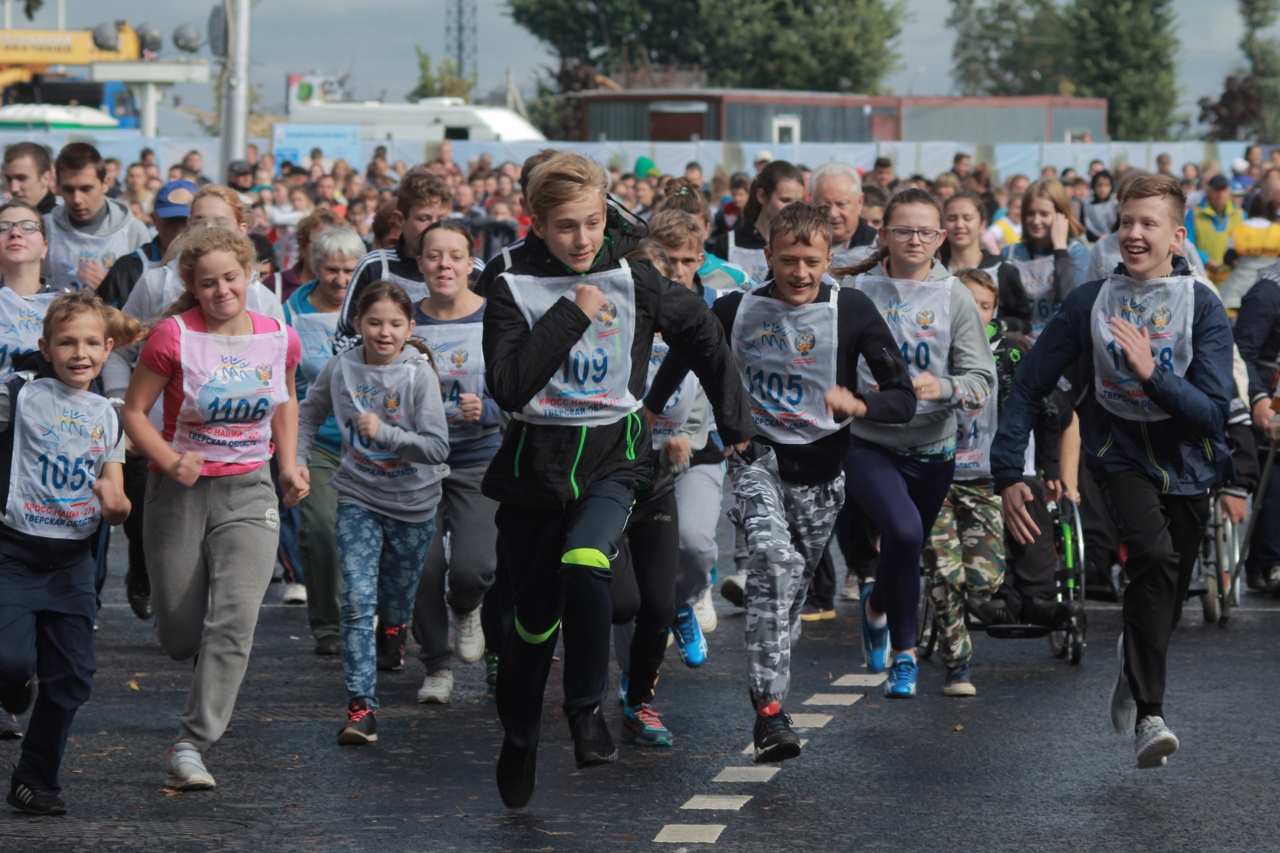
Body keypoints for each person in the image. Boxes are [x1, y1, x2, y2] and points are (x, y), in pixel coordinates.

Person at [481, 152, 752, 808]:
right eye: (567, 226)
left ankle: (586, 710)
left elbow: (705, 336)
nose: (582, 240)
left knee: (587, 557)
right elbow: (511, 385)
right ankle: (519, 736)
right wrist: (573, 313)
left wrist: (736, 421)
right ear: (537, 224)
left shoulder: (636, 277)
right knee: (535, 622)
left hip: (615, 459)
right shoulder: (509, 278)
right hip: (533, 474)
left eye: (594, 223)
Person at [652, 201, 917, 759]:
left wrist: (861, 402)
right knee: (774, 564)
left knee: (786, 605)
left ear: (829, 259)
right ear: (767, 254)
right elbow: (685, 353)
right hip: (757, 463)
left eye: (812, 262)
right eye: (789, 259)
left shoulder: (853, 310)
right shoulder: (734, 308)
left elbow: (904, 396)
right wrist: (652, 409)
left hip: (822, 478)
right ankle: (770, 715)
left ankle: (773, 654)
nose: (800, 273)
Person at [991, 175, 1233, 769]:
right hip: (1119, 452)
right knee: (1150, 557)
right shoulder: (1090, 302)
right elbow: (1029, 384)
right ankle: (1151, 714)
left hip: (1188, 461)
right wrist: (1007, 471)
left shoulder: (1202, 304)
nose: (1133, 233)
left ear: (1177, 237)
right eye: (1126, 221)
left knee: (1166, 599)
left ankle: (1136, 659)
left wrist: (1154, 373)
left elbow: (1212, 411)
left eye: (1148, 223)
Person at [120, 226, 307, 791]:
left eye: (231, 278)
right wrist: (168, 458)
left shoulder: (279, 337)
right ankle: (197, 673)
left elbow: (286, 398)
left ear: (250, 275)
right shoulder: (172, 337)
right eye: (209, 283)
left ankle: (192, 743)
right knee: (180, 636)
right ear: (192, 287)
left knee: (235, 619)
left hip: (249, 489)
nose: (223, 290)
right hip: (178, 492)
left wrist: (288, 465)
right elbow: (133, 412)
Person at [837, 189, 995, 701]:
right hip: (868, 440)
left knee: (905, 546)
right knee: (904, 535)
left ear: (941, 238)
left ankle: (877, 607)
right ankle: (905, 656)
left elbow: (980, 380)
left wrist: (942, 387)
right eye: (903, 230)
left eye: (926, 232)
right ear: (882, 233)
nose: (914, 240)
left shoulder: (956, 296)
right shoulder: (856, 289)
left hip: (933, 448)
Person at [296, 281, 448, 745]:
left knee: (396, 599)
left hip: (414, 503)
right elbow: (307, 413)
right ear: (358, 324)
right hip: (358, 496)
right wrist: (297, 462)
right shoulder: (341, 367)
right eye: (375, 322)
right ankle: (361, 706)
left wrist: (386, 434)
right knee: (359, 601)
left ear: (410, 328)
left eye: (395, 324)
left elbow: (438, 447)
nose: (384, 333)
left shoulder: (419, 374)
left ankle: (397, 628)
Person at [0, 291, 132, 815]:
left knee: (73, 677)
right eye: (67, 342)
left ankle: (35, 777)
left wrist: (116, 504)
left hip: (74, 561)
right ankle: (11, 689)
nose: (80, 353)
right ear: (46, 347)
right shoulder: (19, 393)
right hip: (13, 554)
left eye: (91, 343)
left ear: (108, 349)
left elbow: (116, 497)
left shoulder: (109, 416)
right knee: (11, 664)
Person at [410, 221, 501, 703]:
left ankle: (466, 607)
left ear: (471, 263)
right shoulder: (402, 321)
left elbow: (521, 388)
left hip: (477, 459)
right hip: (417, 465)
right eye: (434, 256)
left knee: (472, 567)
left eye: (454, 256)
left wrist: (485, 408)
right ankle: (436, 667)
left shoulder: (495, 318)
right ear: (420, 262)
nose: (444, 265)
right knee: (423, 568)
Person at [921, 267, 1009, 697]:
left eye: (985, 306)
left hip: (984, 477)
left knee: (983, 580)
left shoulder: (1007, 354)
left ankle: (975, 601)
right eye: (967, 304)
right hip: (935, 472)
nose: (975, 313)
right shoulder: (929, 346)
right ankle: (958, 664)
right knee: (944, 570)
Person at [283, 227, 366, 656]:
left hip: (372, 441)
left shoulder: (374, 305)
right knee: (320, 530)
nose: (340, 279)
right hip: (315, 438)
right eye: (331, 270)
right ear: (315, 268)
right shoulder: (291, 312)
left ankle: (383, 619)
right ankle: (328, 625)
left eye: (350, 270)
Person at [338, 170, 481, 343]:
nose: (434, 227)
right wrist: (382, 354)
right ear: (400, 219)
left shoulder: (471, 269)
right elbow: (344, 336)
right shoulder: (376, 266)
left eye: (441, 218)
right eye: (423, 219)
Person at [47, 143, 150, 292]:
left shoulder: (133, 231)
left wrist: (111, 287)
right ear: (58, 187)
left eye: (86, 189)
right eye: (68, 190)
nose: (77, 199)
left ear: (105, 183)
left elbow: (147, 300)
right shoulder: (47, 229)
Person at [1001, 179, 1090, 342]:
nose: (1036, 221)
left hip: (1059, 345)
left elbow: (1071, 303)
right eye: (1030, 213)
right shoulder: (1010, 253)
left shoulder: (1076, 252)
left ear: (1061, 215)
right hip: (1020, 344)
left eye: (1044, 214)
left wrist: (1060, 250)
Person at [940, 191, 1031, 334]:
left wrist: (997, 326)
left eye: (967, 218)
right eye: (952, 218)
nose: (959, 224)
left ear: (982, 224)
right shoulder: (933, 270)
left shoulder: (1003, 269)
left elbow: (1024, 321)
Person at [98, 180, 196, 311]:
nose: (179, 228)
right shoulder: (127, 269)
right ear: (154, 219)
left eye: (186, 221)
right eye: (171, 220)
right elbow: (102, 319)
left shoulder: (214, 268)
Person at [708, 160, 806, 288]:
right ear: (762, 196)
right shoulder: (729, 244)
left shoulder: (804, 243)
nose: (793, 208)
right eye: (785, 200)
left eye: (798, 202)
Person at [0, 203, 62, 383]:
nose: (15, 233)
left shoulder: (69, 307)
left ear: (44, 247)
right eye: (3, 228)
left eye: (28, 227)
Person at [657, 178, 749, 292]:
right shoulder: (647, 273)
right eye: (673, 228)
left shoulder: (736, 278)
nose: (684, 237)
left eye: (693, 228)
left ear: (707, 229)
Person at [1219, 190, 1280, 314]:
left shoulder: (1239, 229)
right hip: (1272, 284)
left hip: (1239, 284)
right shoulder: (1277, 231)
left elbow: (1228, 258)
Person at [810, 163, 878, 266]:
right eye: (825, 205)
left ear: (860, 202)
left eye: (841, 204)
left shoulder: (878, 246)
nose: (833, 213)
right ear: (813, 203)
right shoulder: (799, 243)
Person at [1184, 174, 1241, 287]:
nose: (1220, 194)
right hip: (1204, 277)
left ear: (1229, 191)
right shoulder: (1194, 214)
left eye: (1223, 189)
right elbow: (1187, 244)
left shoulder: (1240, 214)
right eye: (1216, 190)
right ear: (1208, 191)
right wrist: (1206, 260)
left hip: (1232, 279)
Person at [2, 143, 60, 227]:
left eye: (22, 178)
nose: (14, 188)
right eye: (9, 179)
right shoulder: (4, 218)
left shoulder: (66, 222)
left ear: (45, 178)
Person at [1082, 170, 1117, 243]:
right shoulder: (1087, 204)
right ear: (1094, 186)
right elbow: (1087, 225)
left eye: (1107, 185)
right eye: (1099, 185)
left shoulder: (1115, 204)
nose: (1103, 189)